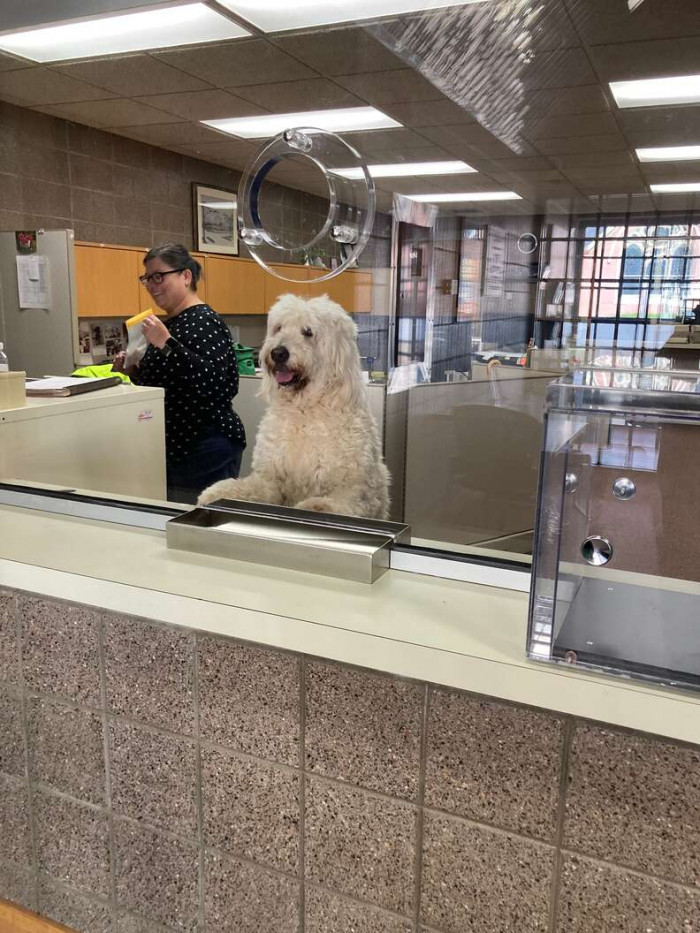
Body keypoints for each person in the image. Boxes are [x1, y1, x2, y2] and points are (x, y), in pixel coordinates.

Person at [113, 243, 245, 503]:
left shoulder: (204, 321)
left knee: (204, 526)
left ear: (186, 276)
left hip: (206, 446)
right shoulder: (170, 324)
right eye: (147, 278)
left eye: (159, 276)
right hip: (176, 447)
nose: (151, 285)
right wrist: (131, 371)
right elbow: (171, 383)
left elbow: (219, 385)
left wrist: (167, 343)